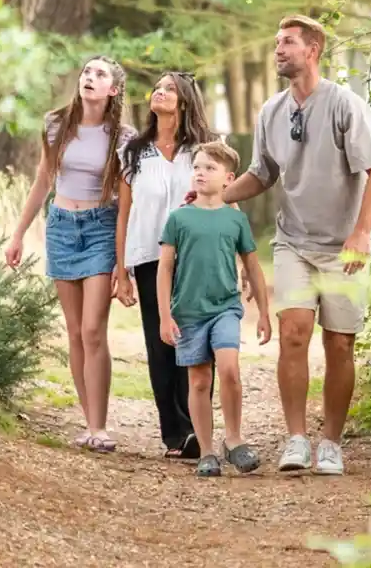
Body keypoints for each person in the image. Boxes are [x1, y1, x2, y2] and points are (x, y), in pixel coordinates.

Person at [221, 15, 371, 475]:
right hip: (293, 241)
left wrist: (362, 231)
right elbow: (262, 174)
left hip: (345, 247)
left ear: (313, 49)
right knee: (294, 333)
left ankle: (331, 443)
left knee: (339, 344)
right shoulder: (270, 111)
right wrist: (217, 195)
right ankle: (296, 439)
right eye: (276, 42)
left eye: (288, 42)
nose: (278, 49)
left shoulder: (345, 105)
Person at [5, 55, 137, 453]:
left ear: (113, 89)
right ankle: (88, 423)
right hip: (62, 226)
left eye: (100, 74)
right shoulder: (55, 124)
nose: (89, 78)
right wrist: (17, 234)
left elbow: (126, 201)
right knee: (76, 331)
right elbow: (43, 178)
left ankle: (100, 426)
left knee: (95, 329)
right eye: (86, 72)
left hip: (100, 227)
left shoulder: (124, 136)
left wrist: (122, 258)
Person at [114, 71, 219, 459]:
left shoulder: (203, 150)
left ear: (186, 100)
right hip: (147, 256)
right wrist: (120, 269)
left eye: (169, 88)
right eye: (157, 88)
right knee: (162, 343)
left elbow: (224, 199)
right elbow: (124, 213)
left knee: (197, 340)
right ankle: (175, 432)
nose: (160, 92)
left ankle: (198, 426)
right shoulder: (133, 151)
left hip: (196, 256)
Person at [157, 141, 271, 477]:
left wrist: (264, 312)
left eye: (210, 168)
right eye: (197, 167)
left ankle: (234, 440)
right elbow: (165, 268)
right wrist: (165, 315)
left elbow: (253, 265)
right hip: (189, 311)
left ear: (229, 178)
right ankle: (206, 450)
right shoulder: (178, 218)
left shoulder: (235, 221)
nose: (201, 173)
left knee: (230, 370)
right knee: (199, 381)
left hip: (225, 307)